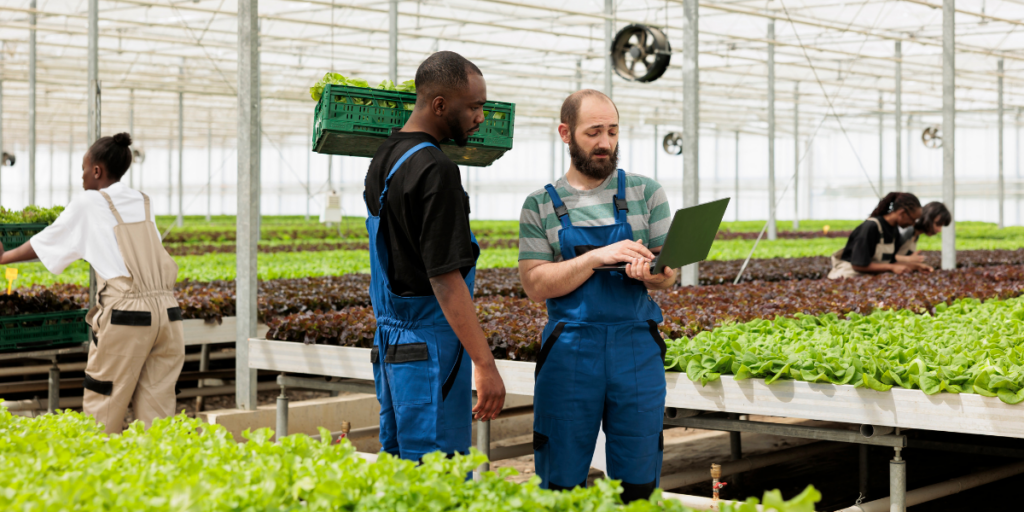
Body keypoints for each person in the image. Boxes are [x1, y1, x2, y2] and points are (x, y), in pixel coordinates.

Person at [517, 89, 676, 502]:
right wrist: (595, 258)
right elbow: (535, 285)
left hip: (636, 349)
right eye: (593, 132)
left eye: (612, 131)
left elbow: (669, 274)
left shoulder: (646, 193)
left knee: (638, 480)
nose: (605, 142)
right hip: (570, 350)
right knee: (559, 480)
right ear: (566, 134)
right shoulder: (540, 205)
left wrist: (654, 278)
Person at [363, 51, 505, 462]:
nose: (481, 117)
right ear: (440, 105)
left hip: (393, 345)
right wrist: (485, 364)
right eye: (474, 106)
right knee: (437, 475)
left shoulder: (384, 158)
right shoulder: (435, 169)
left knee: (402, 465)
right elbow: (445, 279)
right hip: (430, 347)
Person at [0, 133, 184, 435]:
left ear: (97, 170)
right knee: (158, 412)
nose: (82, 176)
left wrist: (5, 257)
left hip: (128, 317)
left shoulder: (89, 202)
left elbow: (45, 242)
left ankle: (98, 473)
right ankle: (157, 475)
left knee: (104, 405)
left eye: (84, 169)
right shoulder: (143, 201)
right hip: (168, 314)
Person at [827, 192, 927, 279]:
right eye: (912, 219)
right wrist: (891, 268)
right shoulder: (871, 227)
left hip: (863, 280)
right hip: (845, 279)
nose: (913, 224)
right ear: (902, 213)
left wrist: (916, 266)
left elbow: (891, 261)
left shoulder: (893, 230)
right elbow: (858, 265)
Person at [894, 201, 951, 266]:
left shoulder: (916, 235)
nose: (939, 230)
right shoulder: (908, 230)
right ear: (928, 218)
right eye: (938, 224)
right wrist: (909, 259)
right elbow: (886, 258)